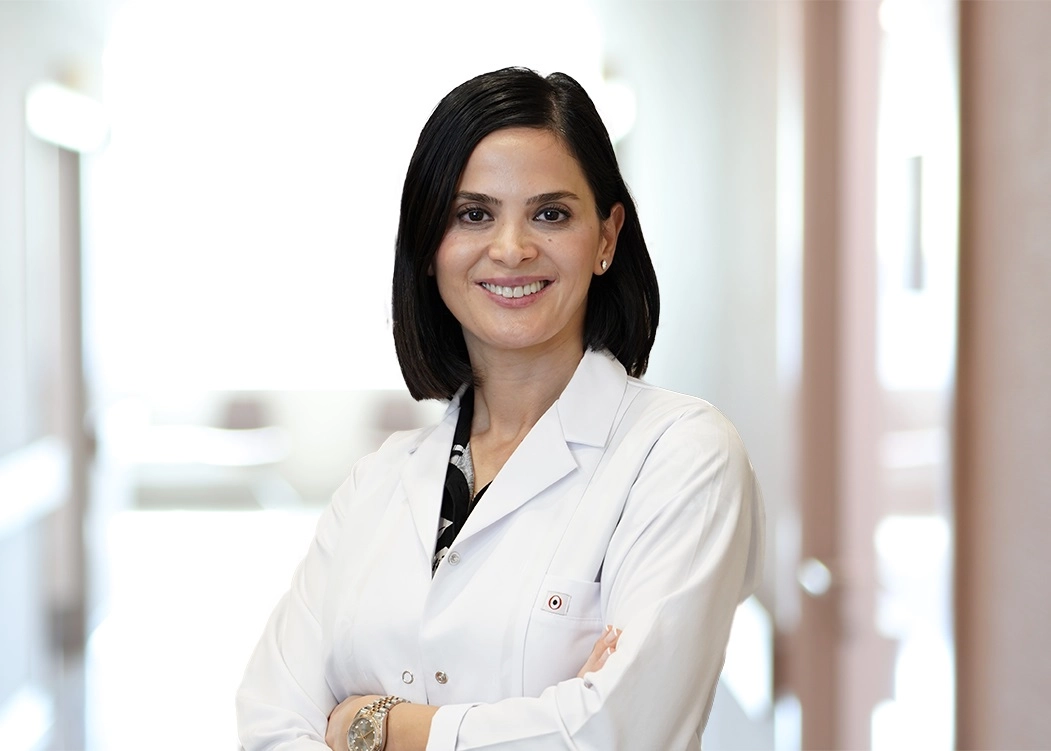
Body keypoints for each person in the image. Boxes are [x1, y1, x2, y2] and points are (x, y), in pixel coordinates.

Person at [236, 66, 765, 751]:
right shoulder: (377, 484)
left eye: (551, 214)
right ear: (429, 246)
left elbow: (615, 734)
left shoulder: (680, 456)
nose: (512, 248)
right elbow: (271, 723)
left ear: (606, 238)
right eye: (473, 214)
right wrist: (544, 718)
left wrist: (376, 725)